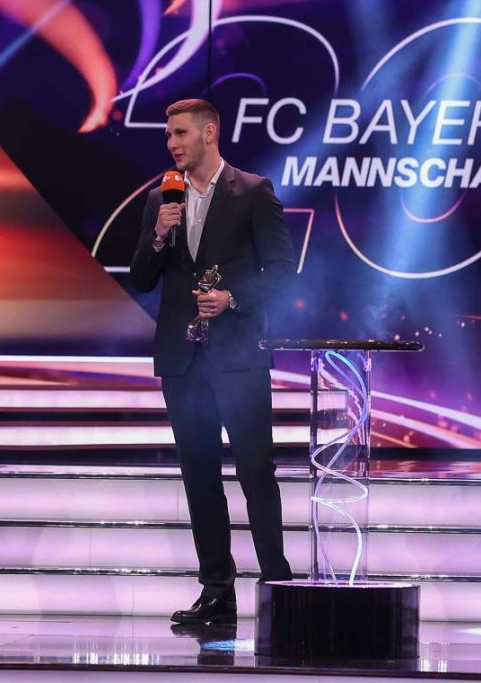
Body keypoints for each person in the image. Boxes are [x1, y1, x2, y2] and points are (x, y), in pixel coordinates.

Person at [130, 99, 295, 624]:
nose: (173, 143)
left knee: (254, 470)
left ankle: (278, 587)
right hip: (183, 360)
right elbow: (140, 277)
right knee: (199, 474)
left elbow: (284, 271)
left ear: (209, 132)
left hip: (238, 356)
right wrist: (159, 234)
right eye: (167, 136)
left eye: (180, 133)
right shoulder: (163, 196)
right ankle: (217, 592)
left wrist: (232, 299)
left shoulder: (252, 191)